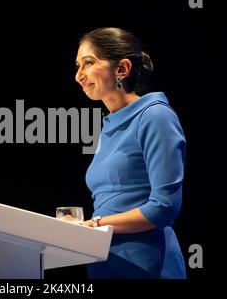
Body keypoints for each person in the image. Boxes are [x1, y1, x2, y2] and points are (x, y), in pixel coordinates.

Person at [74, 27, 186, 279]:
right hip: (105, 260)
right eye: (77, 66)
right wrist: (82, 228)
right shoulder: (110, 124)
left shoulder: (155, 116)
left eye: (88, 63)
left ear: (121, 69)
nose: (79, 75)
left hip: (145, 264)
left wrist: (95, 225)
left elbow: (164, 207)